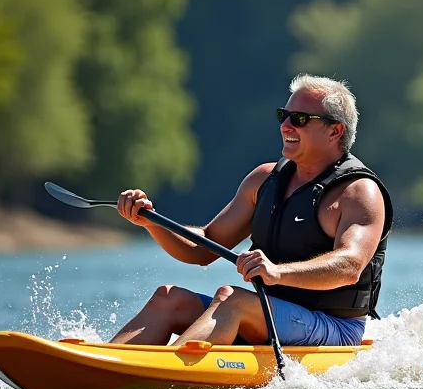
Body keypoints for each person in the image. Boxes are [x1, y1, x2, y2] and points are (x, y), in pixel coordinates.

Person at [109, 75, 391, 347]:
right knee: (168, 298)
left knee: (231, 299)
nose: (286, 126)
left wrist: (277, 273)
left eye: (300, 119)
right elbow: (204, 246)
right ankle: (105, 365)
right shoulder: (263, 180)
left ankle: (169, 373)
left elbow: (350, 267)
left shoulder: (358, 192)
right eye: (284, 116)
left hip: (334, 327)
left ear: (335, 130)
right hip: (265, 314)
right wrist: (150, 221)